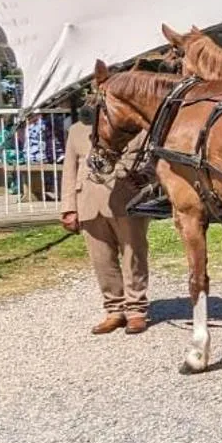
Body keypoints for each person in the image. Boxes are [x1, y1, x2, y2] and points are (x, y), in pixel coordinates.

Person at [59, 98, 151, 335]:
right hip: (88, 202)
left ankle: (136, 310)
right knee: (101, 260)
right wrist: (69, 207)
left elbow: (152, 161)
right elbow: (69, 169)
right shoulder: (77, 130)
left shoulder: (136, 128)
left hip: (126, 200)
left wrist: (144, 179)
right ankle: (114, 310)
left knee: (134, 254)